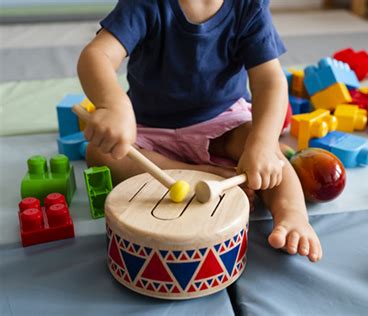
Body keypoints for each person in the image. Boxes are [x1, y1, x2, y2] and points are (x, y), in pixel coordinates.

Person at [77, 0, 322, 262]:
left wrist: (261, 145)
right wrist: (113, 104)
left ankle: (291, 214)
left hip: (222, 122)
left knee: (266, 148)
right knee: (100, 153)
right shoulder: (144, 4)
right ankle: (203, 173)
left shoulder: (248, 6)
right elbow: (97, 55)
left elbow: (269, 81)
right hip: (149, 126)